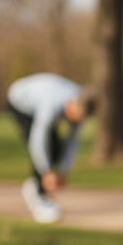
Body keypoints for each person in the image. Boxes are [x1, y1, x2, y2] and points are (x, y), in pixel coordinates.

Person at [6, 73, 95, 224]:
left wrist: (64, 171)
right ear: (72, 104)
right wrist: (46, 171)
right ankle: (40, 200)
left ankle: (35, 187)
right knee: (47, 147)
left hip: (40, 97)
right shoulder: (50, 104)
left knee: (57, 148)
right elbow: (38, 140)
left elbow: (72, 142)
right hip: (19, 101)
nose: (75, 121)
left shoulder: (81, 102)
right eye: (76, 116)